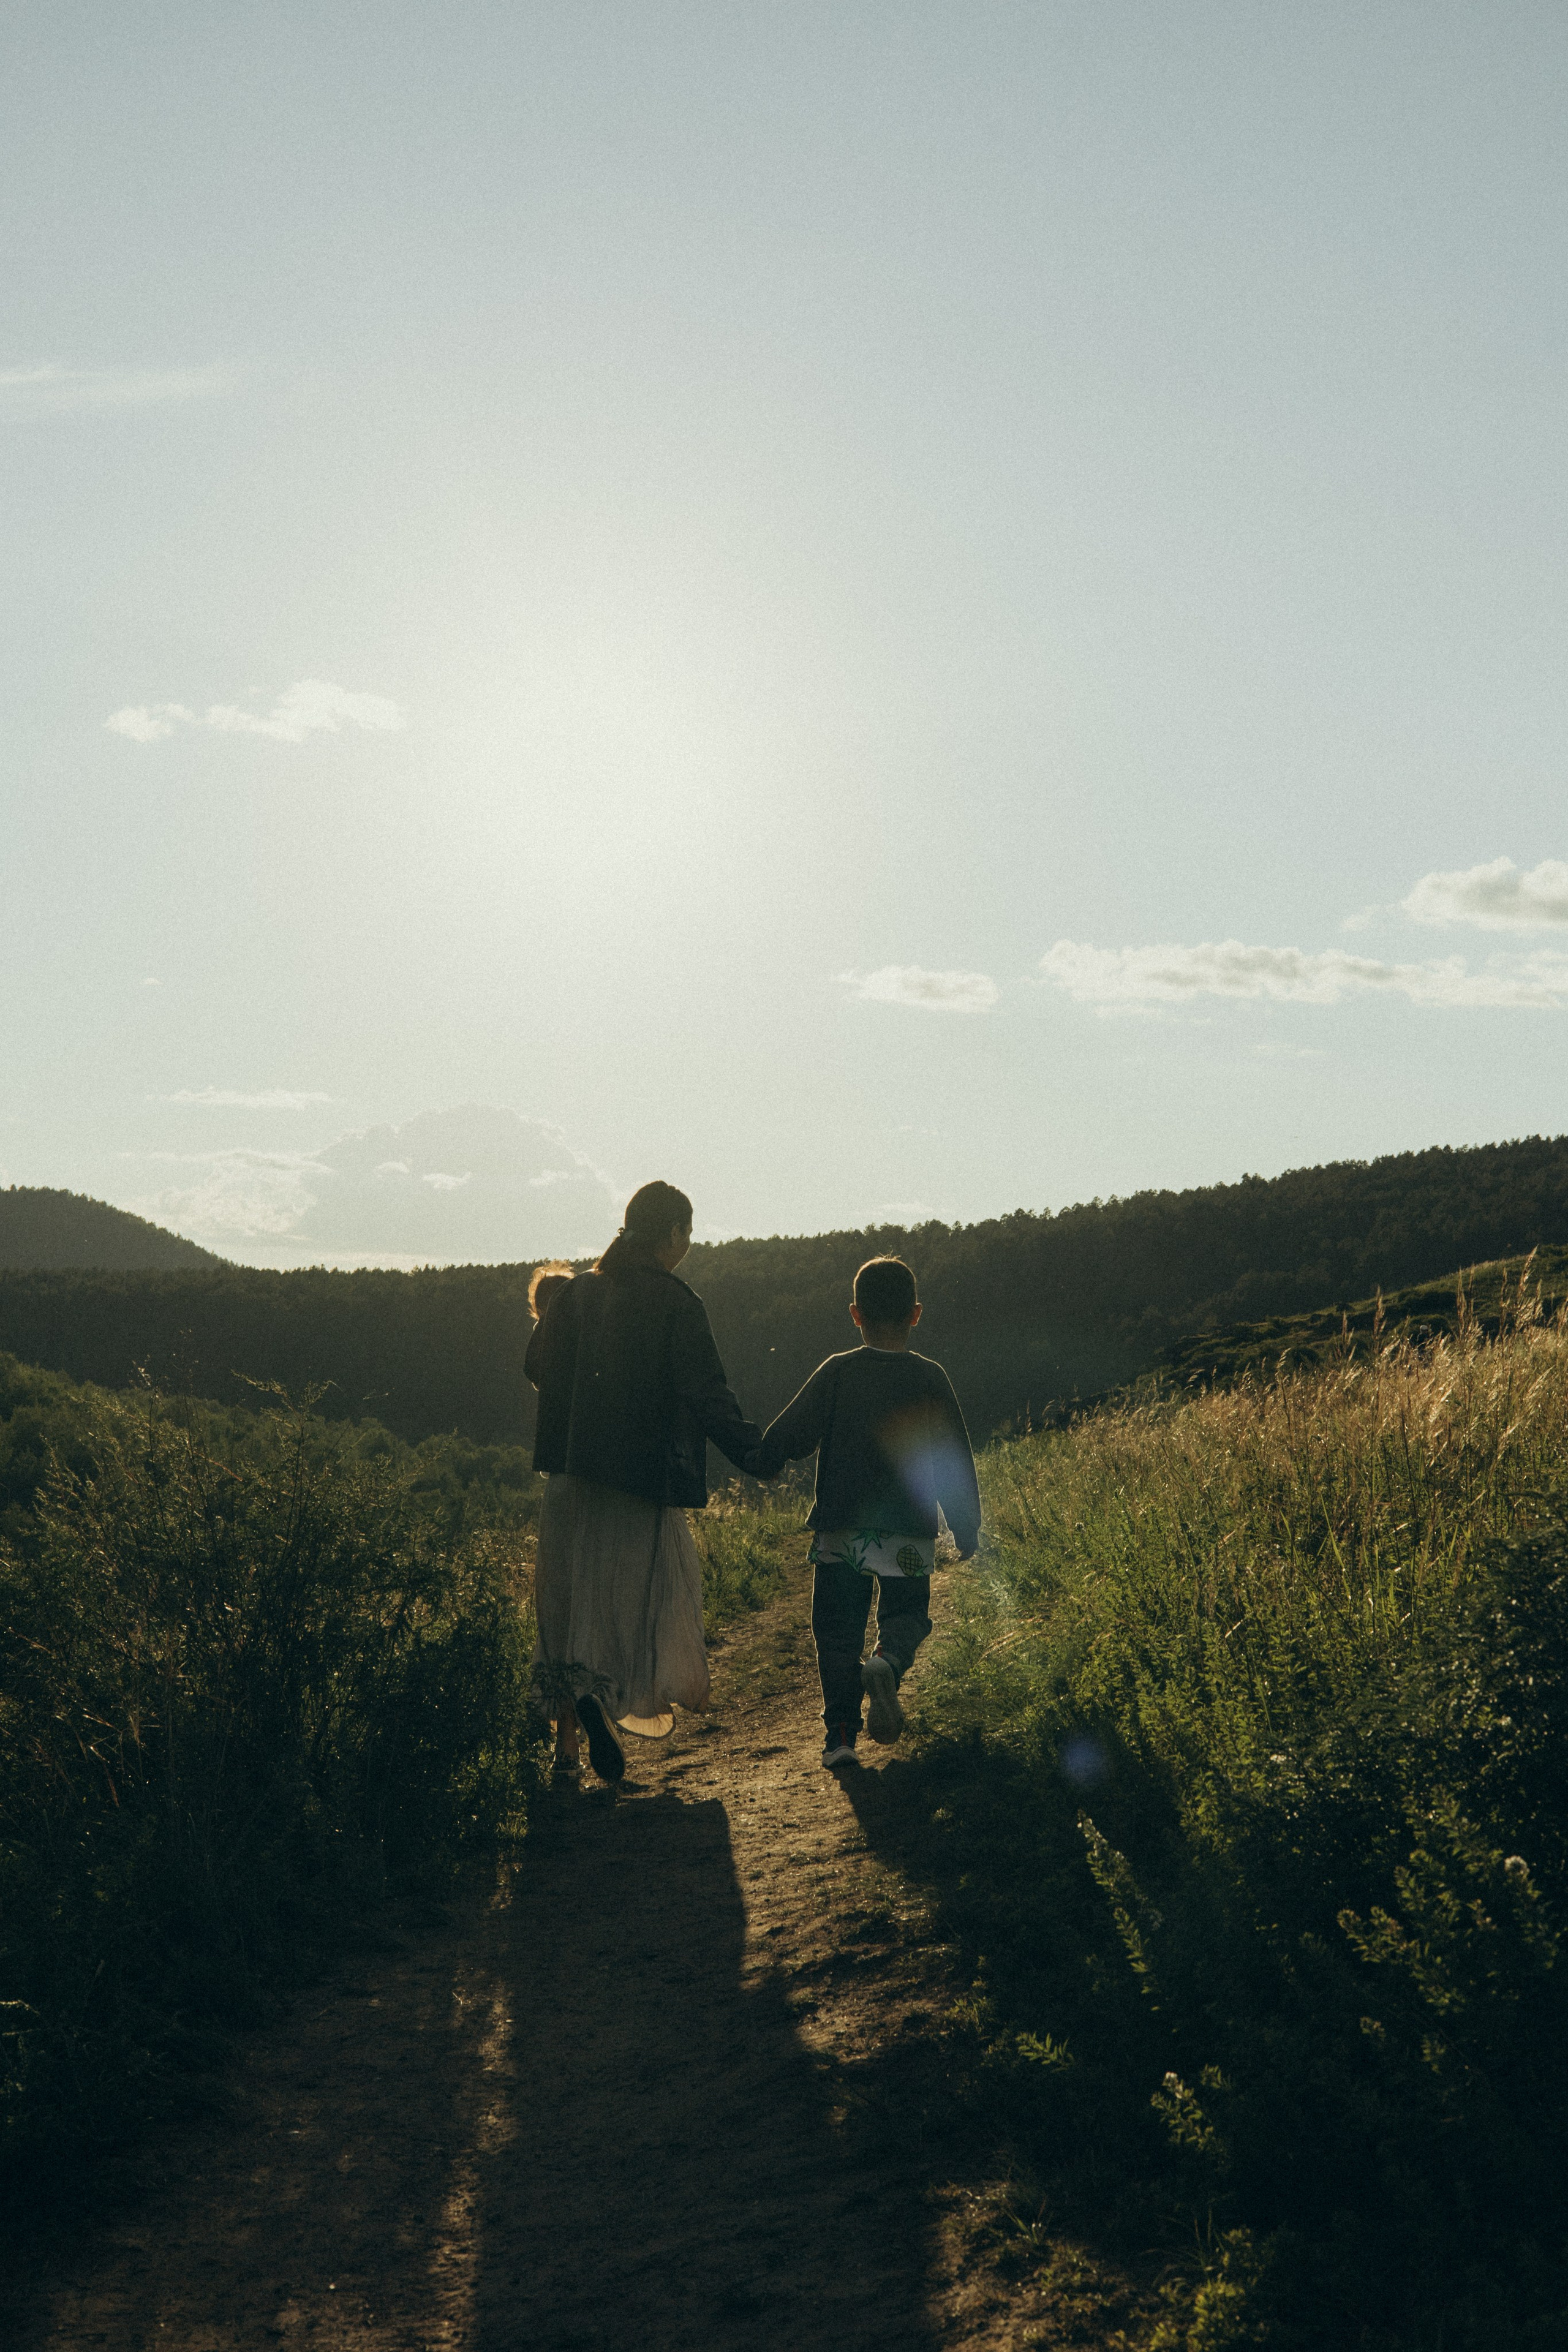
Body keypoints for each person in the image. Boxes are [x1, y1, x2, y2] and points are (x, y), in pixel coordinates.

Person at [525, 1180, 762, 1785]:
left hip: (570, 1480)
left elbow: (535, 1367)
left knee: (575, 1600)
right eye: (689, 1232)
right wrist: (756, 1452)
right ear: (676, 1234)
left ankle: (579, 1705)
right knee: (640, 1600)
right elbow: (708, 1394)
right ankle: (601, 1700)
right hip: (637, 1484)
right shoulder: (676, 1302)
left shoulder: (576, 1294)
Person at [746, 1254, 981, 1770]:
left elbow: (794, 1432)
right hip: (909, 1532)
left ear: (855, 1315)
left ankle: (841, 1737)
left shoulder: (838, 1371)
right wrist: (966, 1527)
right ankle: (887, 1663)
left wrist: (762, 1457)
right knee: (907, 1616)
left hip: (843, 1531)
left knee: (836, 1630)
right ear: (916, 1314)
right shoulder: (929, 1376)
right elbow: (953, 1458)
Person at [526, 1262, 579, 1774]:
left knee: (558, 1612)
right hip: (605, 1485)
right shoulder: (596, 1358)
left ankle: (566, 1744)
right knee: (599, 1604)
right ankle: (595, 1705)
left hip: (559, 1488)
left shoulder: (541, 1356)